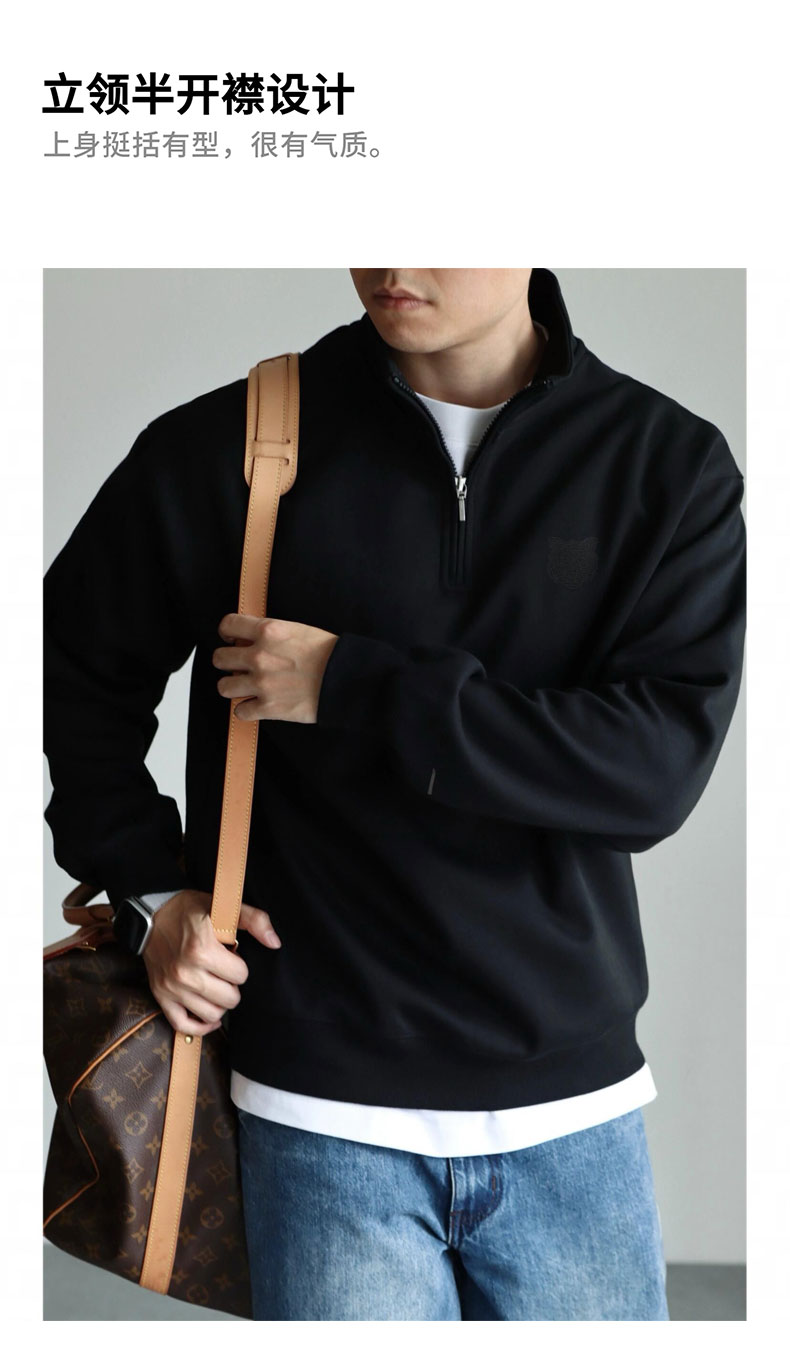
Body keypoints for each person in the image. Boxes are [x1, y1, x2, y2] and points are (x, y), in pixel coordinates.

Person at [43, 268, 746, 1321]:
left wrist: (350, 685)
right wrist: (148, 886)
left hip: (573, 1113)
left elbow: (650, 773)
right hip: (318, 1113)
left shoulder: (661, 461)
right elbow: (67, 670)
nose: (393, 262)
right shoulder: (244, 442)